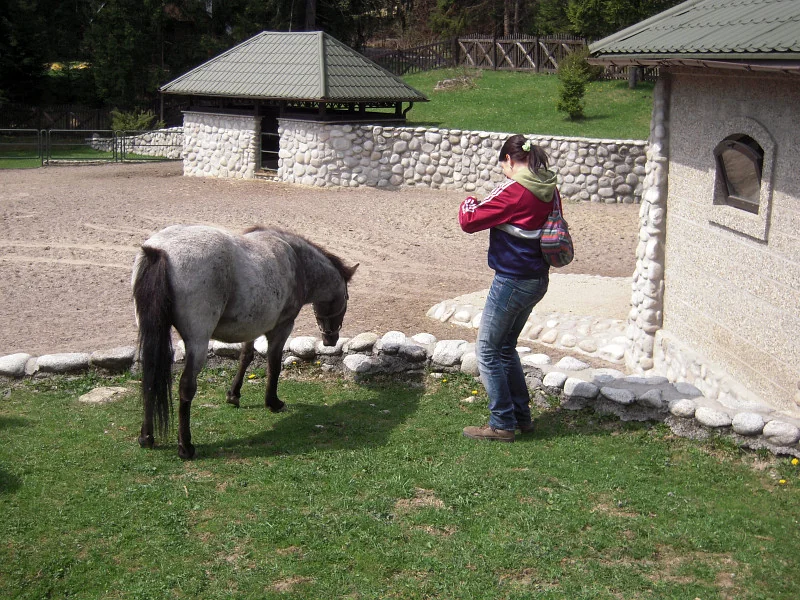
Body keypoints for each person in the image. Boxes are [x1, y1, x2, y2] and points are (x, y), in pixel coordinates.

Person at [458, 134, 559, 442]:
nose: (503, 171)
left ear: (509, 160)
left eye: (503, 165)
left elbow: (470, 220)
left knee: (487, 349)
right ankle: (521, 418)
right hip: (537, 278)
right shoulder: (549, 187)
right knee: (505, 347)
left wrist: (468, 200)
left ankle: (502, 423)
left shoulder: (515, 190)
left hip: (512, 281)